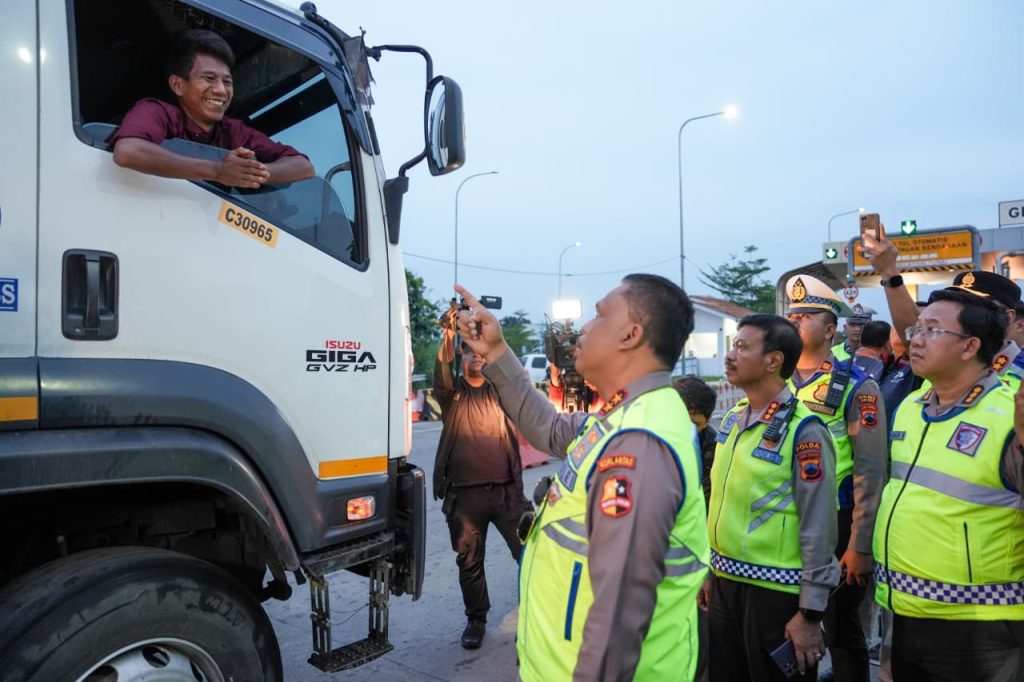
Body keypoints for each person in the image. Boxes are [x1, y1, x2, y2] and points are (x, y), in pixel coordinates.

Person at [454, 275, 709, 681]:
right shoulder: (623, 417)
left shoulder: (639, 440)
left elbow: (620, 613)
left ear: (630, 334)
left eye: (600, 316)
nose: (585, 328)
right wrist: (497, 351)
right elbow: (549, 428)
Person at [873, 286, 1024, 680]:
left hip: (979, 627)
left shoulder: (1009, 418)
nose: (916, 339)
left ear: (971, 346)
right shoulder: (911, 407)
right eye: (917, 329)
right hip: (902, 609)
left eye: (933, 330)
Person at [704, 314, 840, 681]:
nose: (730, 355)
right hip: (724, 583)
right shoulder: (733, 418)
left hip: (777, 595)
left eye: (742, 347)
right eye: (732, 346)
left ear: (773, 360)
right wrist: (709, 571)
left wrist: (810, 613)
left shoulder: (805, 430)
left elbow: (819, 526)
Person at [784, 275, 887, 682]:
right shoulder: (775, 381)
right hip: (786, 522)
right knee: (792, 625)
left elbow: (870, 469)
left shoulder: (856, 386)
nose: (794, 322)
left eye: (804, 316)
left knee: (841, 626)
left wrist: (860, 544)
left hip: (838, 522)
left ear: (830, 330)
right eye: (791, 315)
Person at [431, 315, 531, 649]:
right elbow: (441, 372)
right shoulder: (453, 395)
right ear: (461, 357)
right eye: (469, 352)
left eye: (480, 353)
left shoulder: (498, 392)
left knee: (531, 553)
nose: (475, 356)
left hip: (507, 493)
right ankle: (476, 619)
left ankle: (537, 612)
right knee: (470, 561)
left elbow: (514, 378)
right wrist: (448, 334)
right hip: (466, 497)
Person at [111, 29, 314, 188]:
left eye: (227, 82)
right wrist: (217, 171)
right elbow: (128, 151)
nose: (221, 90)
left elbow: (304, 167)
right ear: (178, 85)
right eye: (209, 79)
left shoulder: (233, 131)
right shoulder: (157, 112)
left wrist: (250, 173)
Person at [674, 376, 718, 506]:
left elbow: (707, 497)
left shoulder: (713, 447)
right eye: (680, 420)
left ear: (707, 421)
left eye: (694, 424)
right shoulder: (649, 438)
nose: (685, 429)